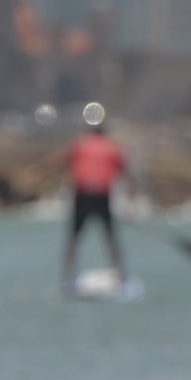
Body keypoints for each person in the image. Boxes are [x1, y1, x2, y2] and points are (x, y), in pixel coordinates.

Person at [61, 101, 128, 285]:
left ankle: (67, 276)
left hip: (82, 194)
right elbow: (124, 171)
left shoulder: (80, 144)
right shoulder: (112, 146)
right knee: (110, 237)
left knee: (74, 237)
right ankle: (120, 275)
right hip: (101, 195)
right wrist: (132, 201)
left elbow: (62, 163)